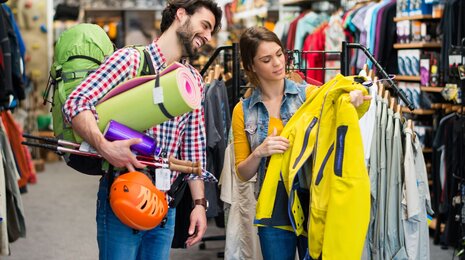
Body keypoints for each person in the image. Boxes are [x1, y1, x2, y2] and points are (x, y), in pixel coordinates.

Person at [62, 1, 222, 259]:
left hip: (164, 206)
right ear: (181, 15)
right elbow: (76, 103)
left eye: (212, 31)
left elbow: (193, 148)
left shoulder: (191, 80)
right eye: (205, 25)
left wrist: (199, 205)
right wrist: (104, 146)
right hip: (123, 194)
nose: (207, 36)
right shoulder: (130, 60)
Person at [232, 26, 371, 260]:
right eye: (266, 59)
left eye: (279, 54)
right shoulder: (243, 111)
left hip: (312, 202)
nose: (277, 63)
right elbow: (242, 174)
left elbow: (344, 98)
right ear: (251, 66)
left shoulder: (310, 96)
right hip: (272, 209)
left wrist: (355, 98)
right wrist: (259, 152)